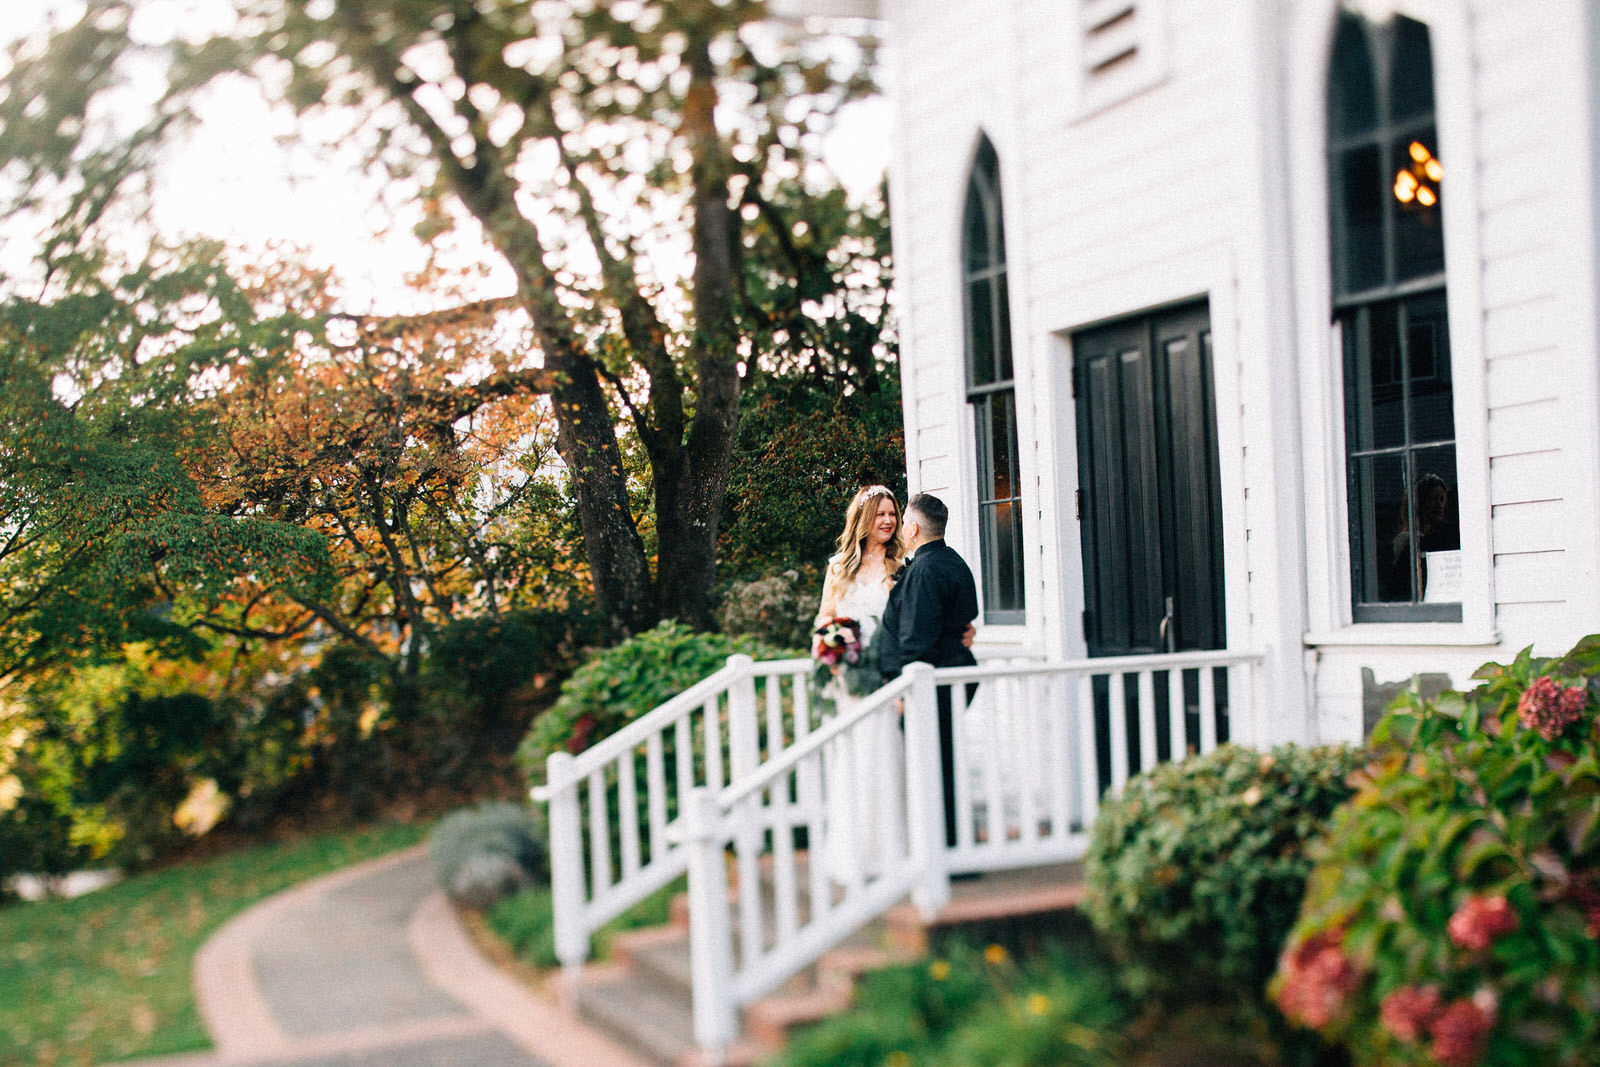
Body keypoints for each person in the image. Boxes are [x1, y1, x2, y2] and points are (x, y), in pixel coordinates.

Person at [813, 485, 908, 883]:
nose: (888, 521)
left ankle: (890, 855)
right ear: (864, 519)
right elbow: (825, 621)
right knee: (852, 764)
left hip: (887, 679)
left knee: (886, 760)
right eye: (881, 514)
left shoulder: (901, 567)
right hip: (850, 682)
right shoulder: (839, 567)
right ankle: (853, 856)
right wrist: (834, 658)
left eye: (893, 514)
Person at [878, 492, 980, 849]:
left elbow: (915, 639)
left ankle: (943, 848)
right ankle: (950, 844)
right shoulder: (954, 562)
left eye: (905, 520)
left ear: (915, 529)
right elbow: (965, 616)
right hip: (951, 676)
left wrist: (906, 690)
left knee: (933, 768)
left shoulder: (924, 570)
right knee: (943, 763)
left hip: (929, 684)